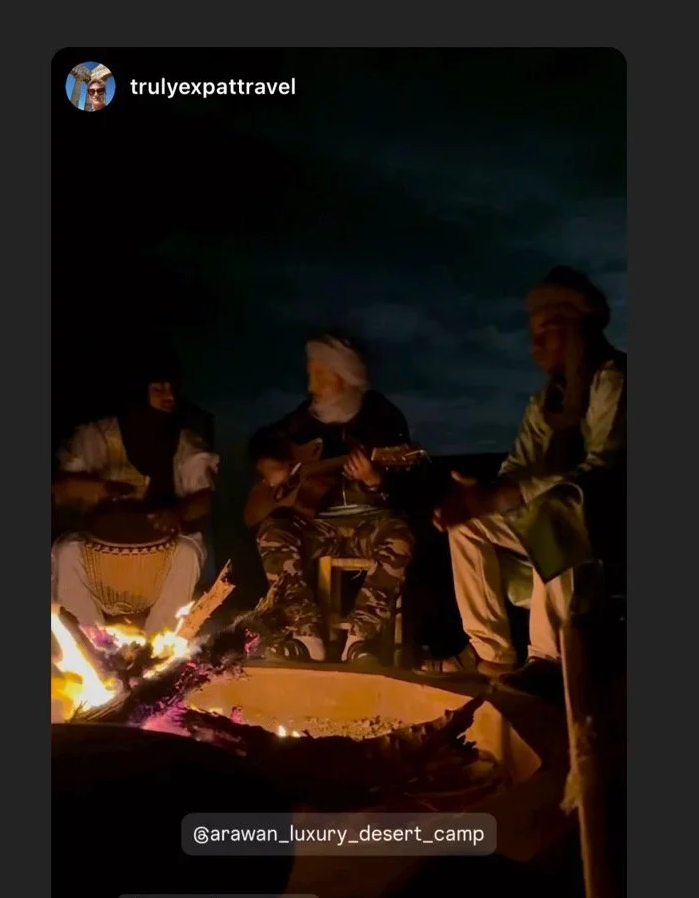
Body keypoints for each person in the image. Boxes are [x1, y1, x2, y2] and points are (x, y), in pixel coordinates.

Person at [426, 267, 626, 702]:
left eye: (548, 331)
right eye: (533, 333)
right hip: (550, 516)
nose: (536, 344)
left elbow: (606, 470)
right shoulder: (545, 403)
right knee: (469, 524)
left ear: (579, 328)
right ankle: (492, 654)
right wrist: (482, 493)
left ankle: (549, 662)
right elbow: (518, 469)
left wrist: (508, 494)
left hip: (611, 522)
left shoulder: (614, 380)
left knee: (556, 511)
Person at [248, 334, 415, 662]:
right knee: (272, 534)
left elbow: (408, 490)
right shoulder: (304, 418)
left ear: (344, 377)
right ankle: (305, 636)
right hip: (317, 526)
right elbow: (261, 440)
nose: (311, 386)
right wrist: (269, 464)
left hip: (368, 524)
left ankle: (360, 640)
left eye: (319, 375)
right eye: (310, 374)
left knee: (400, 537)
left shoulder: (382, 416)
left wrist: (375, 480)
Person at [52, 360, 218, 636]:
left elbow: (204, 499)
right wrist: (103, 489)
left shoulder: (185, 442)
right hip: (96, 545)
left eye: (172, 388)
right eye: (159, 389)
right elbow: (61, 488)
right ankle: (94, 643)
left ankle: (156, 646)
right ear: (139, 391)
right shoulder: (98, 436)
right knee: (66, 551)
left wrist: (178, 513)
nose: (169, 396)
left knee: (188, 553)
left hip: (162, 548)